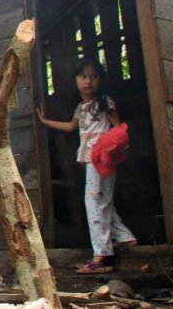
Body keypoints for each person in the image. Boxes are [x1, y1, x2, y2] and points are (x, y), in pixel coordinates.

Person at [36, 58, 137, 274]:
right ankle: (124, 237)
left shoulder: (104, 102)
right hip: (91, 159)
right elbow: (71, 127)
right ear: (76, 81)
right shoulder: (81, 108)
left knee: (93, 201)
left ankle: (100, 256)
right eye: (83, 77)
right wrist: (45, 122)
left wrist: (109, 148)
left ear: (100, 80)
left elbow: (120, 129)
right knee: (103, 200)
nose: (88, 81)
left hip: (102, 158)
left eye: (93, 76)